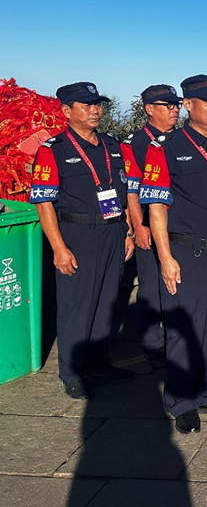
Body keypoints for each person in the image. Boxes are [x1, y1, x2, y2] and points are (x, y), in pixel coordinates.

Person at [139, 74, 207, 434]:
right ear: (188, 105)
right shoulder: (166, 147)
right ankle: (182, 400)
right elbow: (156, 208)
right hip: (189, 252)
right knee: (184, 328)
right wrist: (166, 257)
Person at [30, 82, 136, 400]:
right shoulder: (53, 150)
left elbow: (126, 191)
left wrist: (128, 230)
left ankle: (98, 364)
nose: (95, 110)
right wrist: (59, 248)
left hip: (113, 232)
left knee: (106, 303)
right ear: (66, 111)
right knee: (76, 304)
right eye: (86, 105)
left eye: (97, 104)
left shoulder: (113, 146)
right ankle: (72, 373)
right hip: (77, 236)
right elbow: (44, 203)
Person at [121, 84, 182, 368]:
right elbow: (132, 190)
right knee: (152, 287)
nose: (174, 110)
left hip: (179, 224)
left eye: (176, 105)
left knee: (175, 283)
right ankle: (152, 344)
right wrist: (138, 226)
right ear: (149, 109)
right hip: (149, 220)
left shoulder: (181, 139)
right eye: (167, 105)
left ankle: (175, 337)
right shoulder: (136, 143)